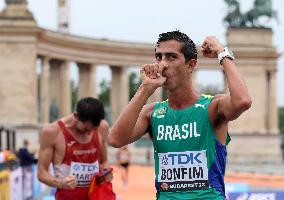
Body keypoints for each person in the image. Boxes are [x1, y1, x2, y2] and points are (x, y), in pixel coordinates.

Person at [108, 30, 252, 200]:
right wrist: (145, 88)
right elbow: (115, 140)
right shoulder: (153, 113)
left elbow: (242, 101)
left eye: (171, 57)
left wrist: (222, 52)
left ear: (190, 65)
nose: (163, 64)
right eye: (159, 57)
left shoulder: (212, 106)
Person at [38, 97, 112, 200]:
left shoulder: (103, 127)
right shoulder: (52, 132)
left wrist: (106, 172)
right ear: (76, 116)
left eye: (93, 129)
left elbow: (104, 162)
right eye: (86, 129)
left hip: (96, 196)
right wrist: (61, 183)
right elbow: (41, 173)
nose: (89, 133)